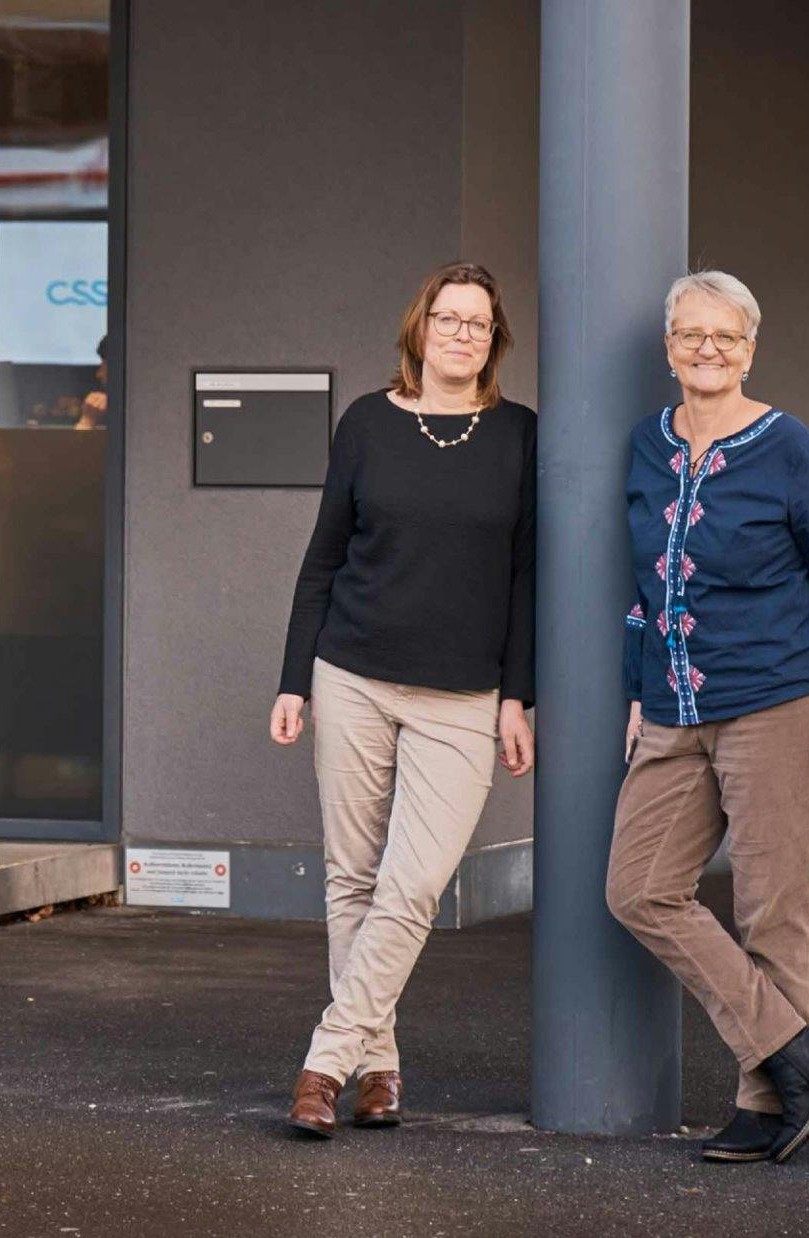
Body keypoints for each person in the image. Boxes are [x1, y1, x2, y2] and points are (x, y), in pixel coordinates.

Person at [607, 270, 809, 1166]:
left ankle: (766, 1103)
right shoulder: (648, 444)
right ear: (669, 348)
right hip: (672, 707)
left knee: (772, 912)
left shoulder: (786, 444)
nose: (708, 350)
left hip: (777, 700)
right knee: (639, 888)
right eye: (692, 334)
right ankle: (795, 1049)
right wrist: (638, 692)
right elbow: (645, 585)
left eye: (726, 336)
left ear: (750, 350)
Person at [271, 262, 536, 1137]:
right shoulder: (366, 423)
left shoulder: (519, 435)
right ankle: (376, 1063)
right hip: (351, 673)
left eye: (478, 323)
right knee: (352, 877)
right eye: (447, 318)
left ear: (494, 341)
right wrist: (293, 678)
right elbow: (323, 557)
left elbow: (526, 577)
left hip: (462, 694)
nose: (461, 334)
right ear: (419, 328)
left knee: (414, 883)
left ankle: (325, 1061)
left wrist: (518, 697)